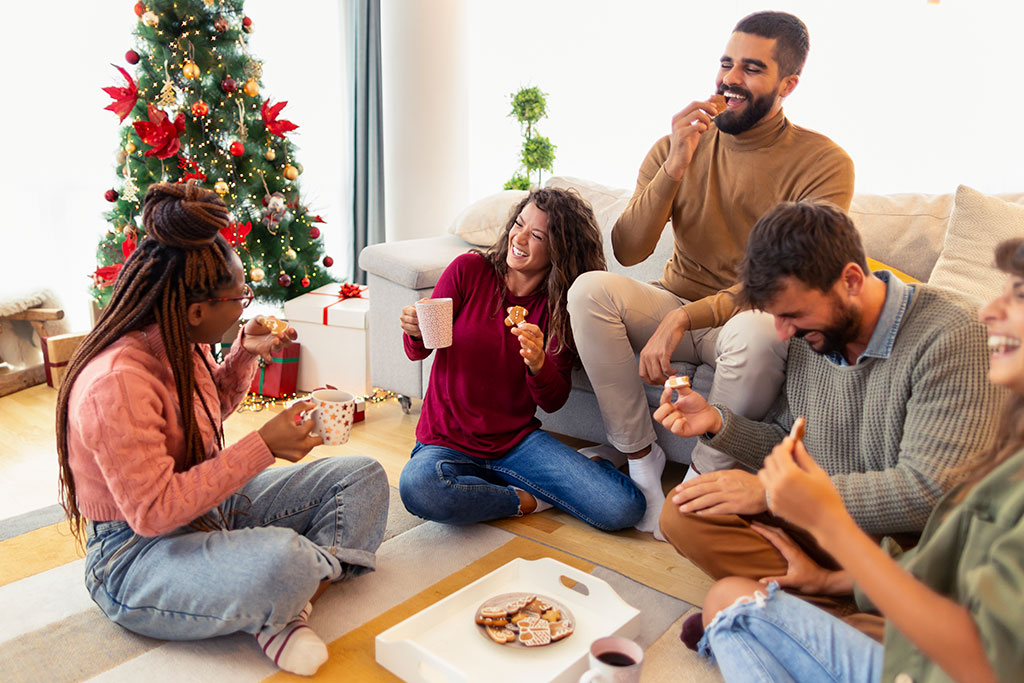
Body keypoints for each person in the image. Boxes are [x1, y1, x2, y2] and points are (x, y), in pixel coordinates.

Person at [55, 181, 389, 677]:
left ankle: (276, 603)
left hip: (211, 509)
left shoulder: (176, 338)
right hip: (136, 553)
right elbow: (153, 513)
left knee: (363, 477)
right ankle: (279, 593)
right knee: (285, 560)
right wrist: (263, 447)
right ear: (197, 311)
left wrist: (244, 354)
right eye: (240, 297)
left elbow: (205, 417)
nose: (246, 306)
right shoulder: (116, 384)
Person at [655, 200, 1005, 640]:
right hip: (827, 525)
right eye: (776, 316)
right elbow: (791, 442)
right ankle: (837, 618)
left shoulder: (955, 333)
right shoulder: (813, 336)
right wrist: (716, 422)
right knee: (684, 511)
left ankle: (808, 621)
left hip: (912, 546)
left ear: (852, 281)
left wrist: (772, 493)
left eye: (793, 315)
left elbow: (930, 492)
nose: (783, 333)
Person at [566, 11, 855, 539]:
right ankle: (640, 461)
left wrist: (680, 320)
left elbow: (784, 280)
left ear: (788, 84)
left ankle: (701, 479)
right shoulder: (677, 143)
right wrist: (675, 164)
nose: (730, 79)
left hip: (743, 317)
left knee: (761, 326)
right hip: (671, 301)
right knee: (589, 291)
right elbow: (629, 249)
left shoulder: (824, 163)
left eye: (751, 68)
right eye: (726, 64)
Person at [398, 188, 645, 530]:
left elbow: (554, 400)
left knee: (622, 510)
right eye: (518, 224)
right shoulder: (468, 270)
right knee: (419, 488)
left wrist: (538, 364)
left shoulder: (562, 309)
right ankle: (527, 498)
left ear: (559, 249)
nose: (520, 237)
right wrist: (414, 329)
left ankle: (589, 466)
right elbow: (420, 350)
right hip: (444, 442)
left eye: (537, 235)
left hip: (514, 444)